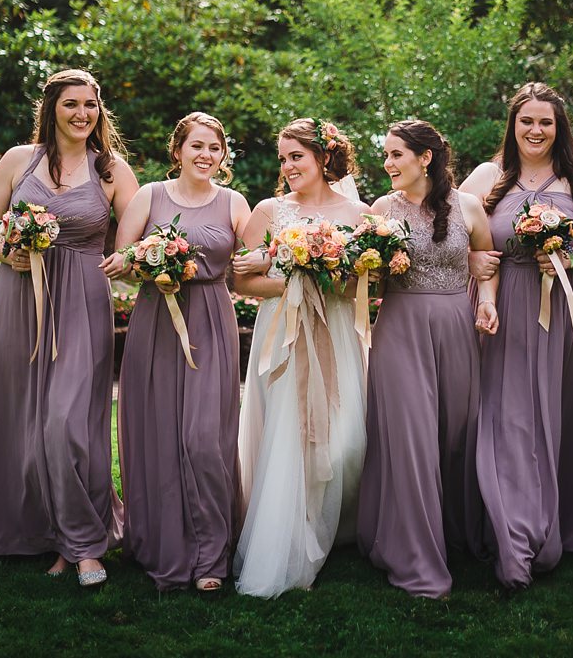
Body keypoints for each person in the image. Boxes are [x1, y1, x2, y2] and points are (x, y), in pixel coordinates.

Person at [0, 68, 139, 587]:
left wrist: (129, 261)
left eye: (90, 104)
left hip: (83, 301)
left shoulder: (112, 172)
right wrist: (10, 252)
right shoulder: (20, 161)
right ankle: (45, 535)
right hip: (18, 299)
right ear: (51, 109)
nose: (82, 114)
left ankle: (85, 546)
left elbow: (134, 240)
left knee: (68, 424)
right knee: (21, 420)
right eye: (71, 105)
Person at [461, 82, 573, 589]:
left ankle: (570, 515)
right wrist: (473, 256)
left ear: (559, 129)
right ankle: (517, 535)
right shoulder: (487, 176)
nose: (536, 130)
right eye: (527, 121)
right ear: (512, 125)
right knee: (509, 417)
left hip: (570, 308)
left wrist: (572, 253)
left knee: (562, 413)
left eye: (546, 122)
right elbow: (451, 229)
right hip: (506, 309)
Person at [104, 112, 249, 592]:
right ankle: (162, 544)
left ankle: (212, 554)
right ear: (178, 150)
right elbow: (121, 260)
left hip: (211, 320)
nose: (206, 155)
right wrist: (149, 262)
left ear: (222, 155)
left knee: (204, 439)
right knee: (161, 436)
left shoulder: (234, 202)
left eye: (214, 148)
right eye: (197, 147)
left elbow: (253, 259)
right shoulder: (149, 195)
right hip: (157, 323)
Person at [356, 119, 498, 599]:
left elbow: (486, 258)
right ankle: (418, 557)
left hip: (455, 327)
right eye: (387, 155)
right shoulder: (381, 209)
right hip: (400, 330)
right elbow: (366, 275)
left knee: (455, 433)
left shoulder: (469, 206)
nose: (388, 163)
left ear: (425, 158)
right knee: (412, 439)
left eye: (397, 154)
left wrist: (487, 300)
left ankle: (453, 533)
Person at [230, 118, 369, 597]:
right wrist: (299, 281)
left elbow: (371, 284)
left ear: (325, 157)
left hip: (337, 334)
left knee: (342, 438)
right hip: (285, 334)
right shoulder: (270, 211)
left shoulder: (358, 212)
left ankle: (338, 523)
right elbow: (243, 281)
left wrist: (324, 280)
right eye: (284, 157)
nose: (287, 166)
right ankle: (291, 537)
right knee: (291, 434)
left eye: (297, 157)